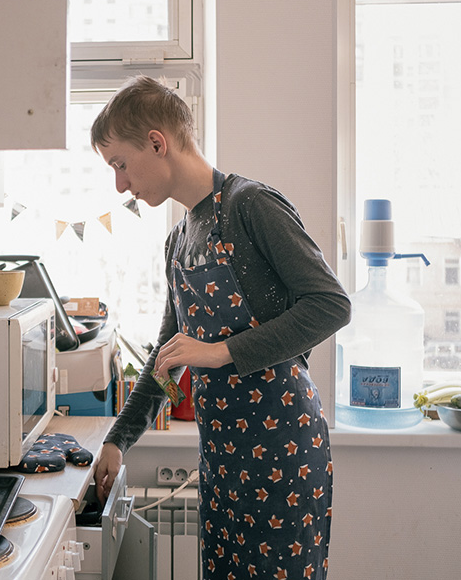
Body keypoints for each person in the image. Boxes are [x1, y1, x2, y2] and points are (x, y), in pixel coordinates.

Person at [90, 75, 351, 580]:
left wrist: (221, 352)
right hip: (223, 460)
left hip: (285, 451)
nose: (119, 184)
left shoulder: (251, 206)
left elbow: (330, 304)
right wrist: (119, 439)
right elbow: (168, 360)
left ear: (158, 143)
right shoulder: (178, 241)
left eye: (120, 164)